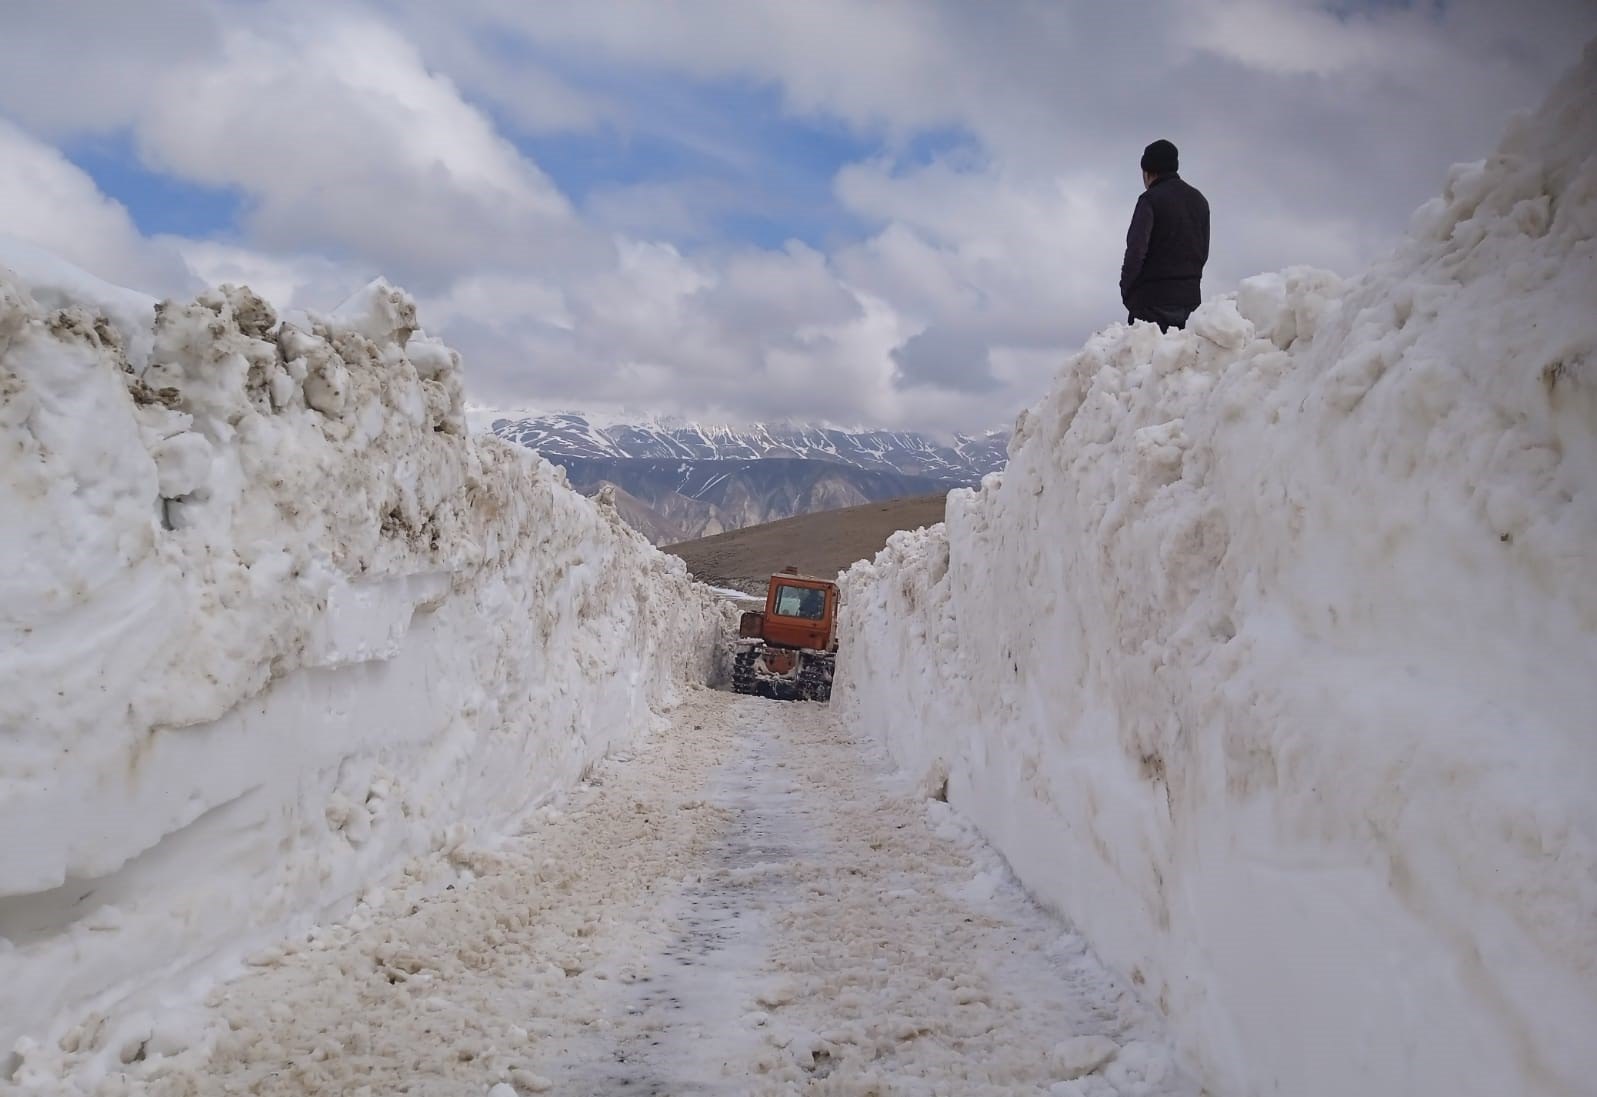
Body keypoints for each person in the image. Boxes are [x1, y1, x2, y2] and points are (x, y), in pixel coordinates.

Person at [1120, 139, 1209, 332]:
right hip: (1190, 303)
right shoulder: (1199, 200)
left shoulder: (1150, 200)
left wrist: (1126, 288)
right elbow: (1203, 252)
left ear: (1148, 171)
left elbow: (1136, 250)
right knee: (1184, 360)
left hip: (1151, 304)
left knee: (1148, 359)